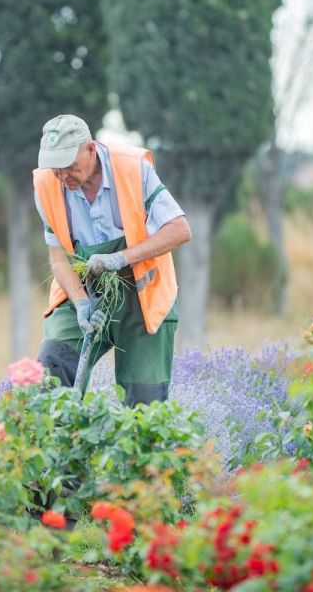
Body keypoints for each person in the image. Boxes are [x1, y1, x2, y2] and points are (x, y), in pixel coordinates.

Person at [32, 114, 191, 406]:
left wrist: (120, 258)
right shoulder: (46, 184)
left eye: (69, 165)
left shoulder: (131, 169)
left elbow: (179, 230)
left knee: (145, 401)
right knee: (51, 368)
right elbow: (58, 260)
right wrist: (80, 303)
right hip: (82, 287)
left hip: (140, 291)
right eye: (56, 168)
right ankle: (60, 447)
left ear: (90, 149)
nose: (62, 176)